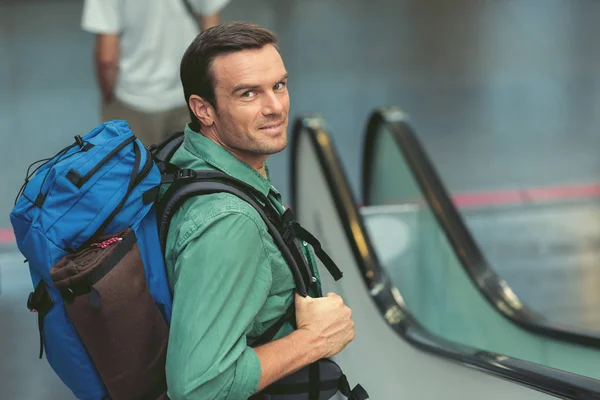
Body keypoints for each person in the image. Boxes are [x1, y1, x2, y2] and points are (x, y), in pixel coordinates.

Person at [164, 22, 356, 399]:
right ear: (203, 109)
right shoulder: (228, 222)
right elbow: (199, 387)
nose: (275, 108)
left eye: (279, 86)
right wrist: (315, 340)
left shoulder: (194, 159)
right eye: (248, 94)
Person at [81, 0, 231, 146]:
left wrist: (108, 96)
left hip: (134, 97)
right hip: (188, 90)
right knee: (189, 165)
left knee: (135, 166)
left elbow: (106, 58)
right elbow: (211, 30)